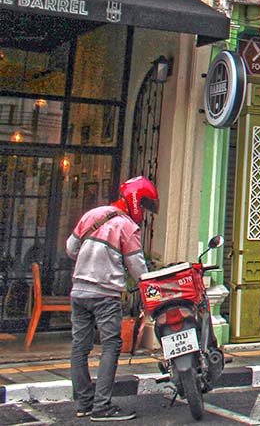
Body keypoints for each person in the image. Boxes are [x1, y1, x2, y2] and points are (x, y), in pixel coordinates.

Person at [65, 176, 156, 422]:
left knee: (80, 347)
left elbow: (70, 248)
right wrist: (149, 286)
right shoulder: (127, 227)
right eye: (145, 205)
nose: (145, 212)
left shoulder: (91, 215)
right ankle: (101, 406)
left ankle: (84, 403)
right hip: (105, 295)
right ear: (137, 200)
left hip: (79, 292)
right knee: (111, 345)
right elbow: (137, 267)